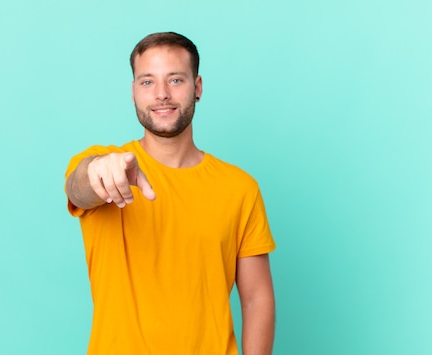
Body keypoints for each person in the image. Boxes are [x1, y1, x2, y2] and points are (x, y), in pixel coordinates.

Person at [65, 32, 276, 355]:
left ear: (198, 87)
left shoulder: (240, 188)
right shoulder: (105, 165)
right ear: (134, 92)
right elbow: (79, 189)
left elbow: (257, 297)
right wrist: (98, 171)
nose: (161, 94)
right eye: (147, 82)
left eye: (175, 80)